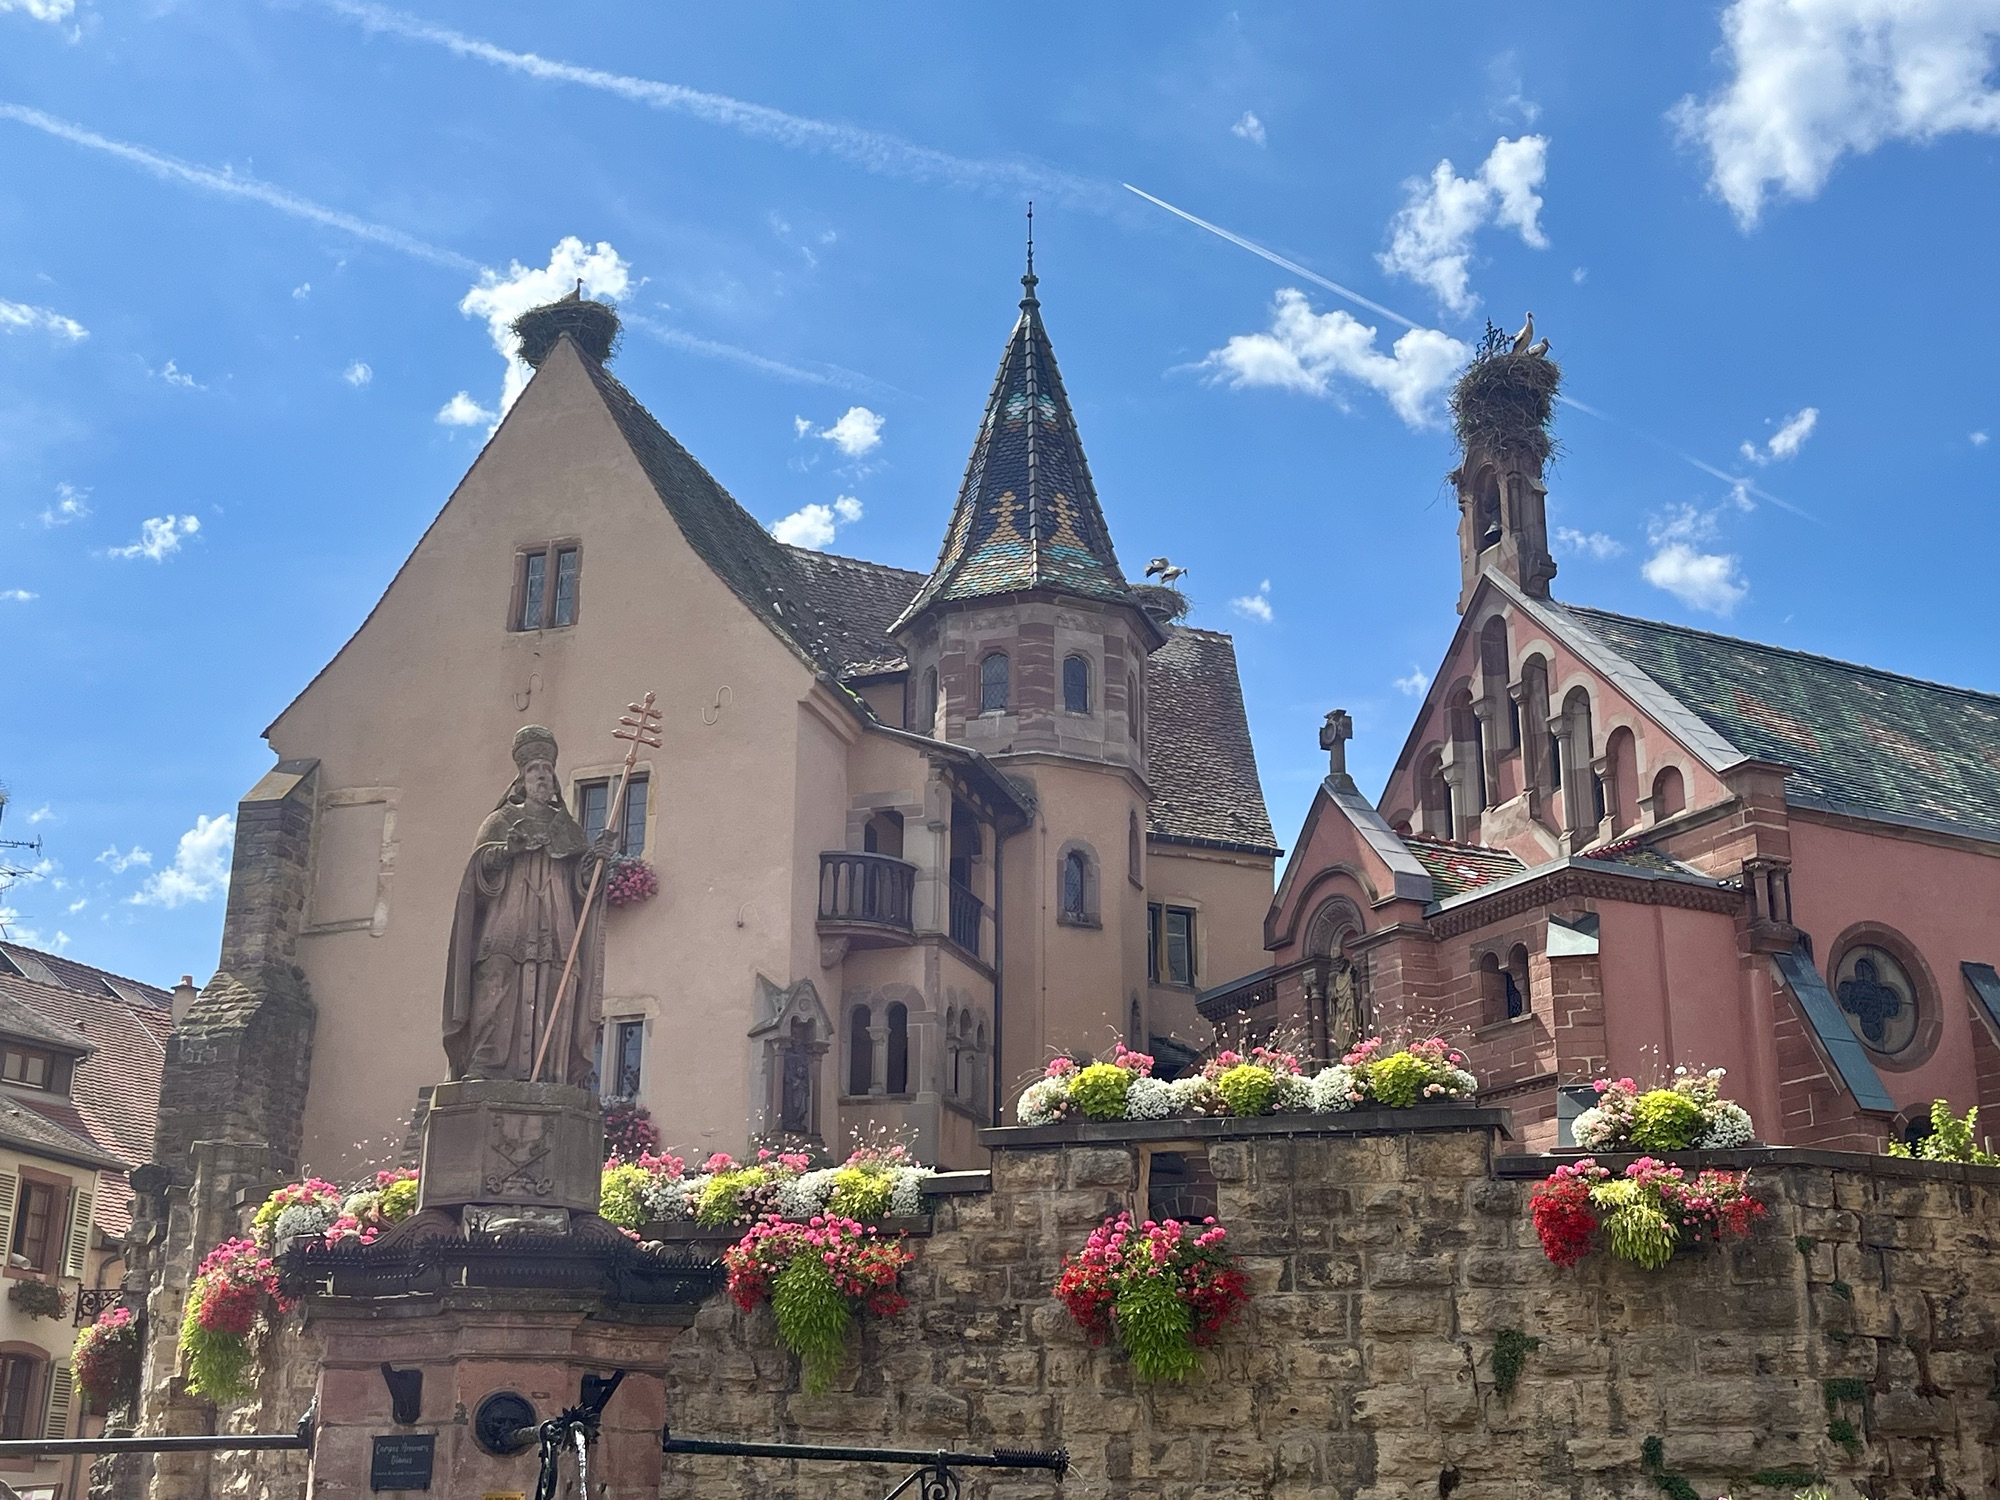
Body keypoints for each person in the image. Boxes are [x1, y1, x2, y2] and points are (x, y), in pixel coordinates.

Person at [442, 725, 615, 1085]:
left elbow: (581, 886)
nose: (542, 775)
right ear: (521, 777)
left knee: (558, 985)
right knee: (496, 980)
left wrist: (593, 864)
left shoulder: (569, 828)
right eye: (535, 768)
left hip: (556, 920)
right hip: (510, 916)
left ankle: (550, 1071)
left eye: (548, 770)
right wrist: (506, 851)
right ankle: (485, 1065)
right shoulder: (500, 820)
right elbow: (479, 871)